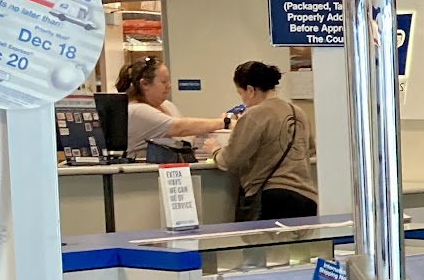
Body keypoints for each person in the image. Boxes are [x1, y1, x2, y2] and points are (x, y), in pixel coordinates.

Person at [215, 60, 318, 220]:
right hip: (307, 199)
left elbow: (231, 159)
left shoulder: (254, 114)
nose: (242, 100)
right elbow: (310, 149)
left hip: (272, 199)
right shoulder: (298, 112)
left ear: (250, 90)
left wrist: (215, 150)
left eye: (241, 93)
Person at [117, 57, 224, 159]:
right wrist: (223, 122)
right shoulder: (136, 111)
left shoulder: (167, 105)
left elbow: (188, 133)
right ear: (145, 84)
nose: (169, 86)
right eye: (163, 82)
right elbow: (180, 128)